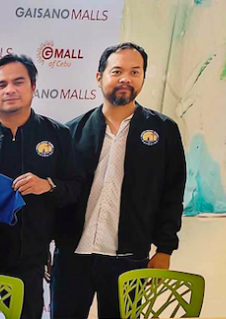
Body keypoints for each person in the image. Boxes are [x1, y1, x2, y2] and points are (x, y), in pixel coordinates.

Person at [52, 42, 186, 319]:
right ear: (100, 77)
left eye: (135, 72)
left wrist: (164, 250)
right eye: (117, 71)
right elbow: (58, 195)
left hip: (129, 258)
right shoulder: (71, 132)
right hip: (73, 256)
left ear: (143, 79)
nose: (126, 78)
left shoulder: (163, 131)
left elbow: (172, 195)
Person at [0, 54, 83, 319]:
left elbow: (76, 188)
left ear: (33, 87)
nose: (9, 90)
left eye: (18, 82)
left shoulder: (57, 134)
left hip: (30, 259)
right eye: (1, 85)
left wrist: (47, 185)